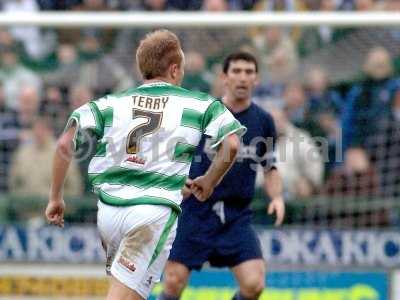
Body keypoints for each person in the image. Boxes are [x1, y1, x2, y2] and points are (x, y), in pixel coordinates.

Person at [44, 30, 245, 300]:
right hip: (151, 213)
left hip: (109, 213)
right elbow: (231, 145)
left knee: (132, 293)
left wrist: (55, 197)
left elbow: (63, 144)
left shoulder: (112, 103)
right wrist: (209, 181)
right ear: (175, 70)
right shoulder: (199, 104)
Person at [159, 52, 285, 300]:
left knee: (254, 284)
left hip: (235, 216)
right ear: (224, 78)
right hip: (194, 211)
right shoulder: (203, 113)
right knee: (173, 281)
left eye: (248, 72)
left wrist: (277, 197)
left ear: (256, 79)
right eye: (236, 71)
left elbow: (269, 167)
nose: (242, 77)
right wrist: (176, 180)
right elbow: (172, 155)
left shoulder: (263, 121)